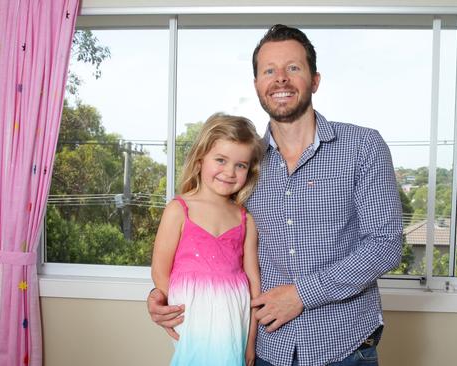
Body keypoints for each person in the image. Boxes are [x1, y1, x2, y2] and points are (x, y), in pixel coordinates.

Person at [148, 25, 403, 366]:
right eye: (269, 70)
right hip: (267, 349)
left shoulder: (363, 147)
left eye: (293, 68)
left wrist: (302, 294)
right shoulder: (244, 164)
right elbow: (213, 244)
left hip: (344, 345)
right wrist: (162, 293)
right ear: (257, 85)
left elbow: (385, 245)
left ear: (314, 80)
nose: (280, 79)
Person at [150, 113, 264, 366]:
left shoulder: (245, 219)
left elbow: (254, 283)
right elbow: (160, 271)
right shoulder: (179, 210)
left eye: (241, 165)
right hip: (193, 325)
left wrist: (250, 340)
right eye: (221, 160)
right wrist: (179, 312)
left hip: (235, 325)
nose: (230, 172)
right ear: (201, 159)